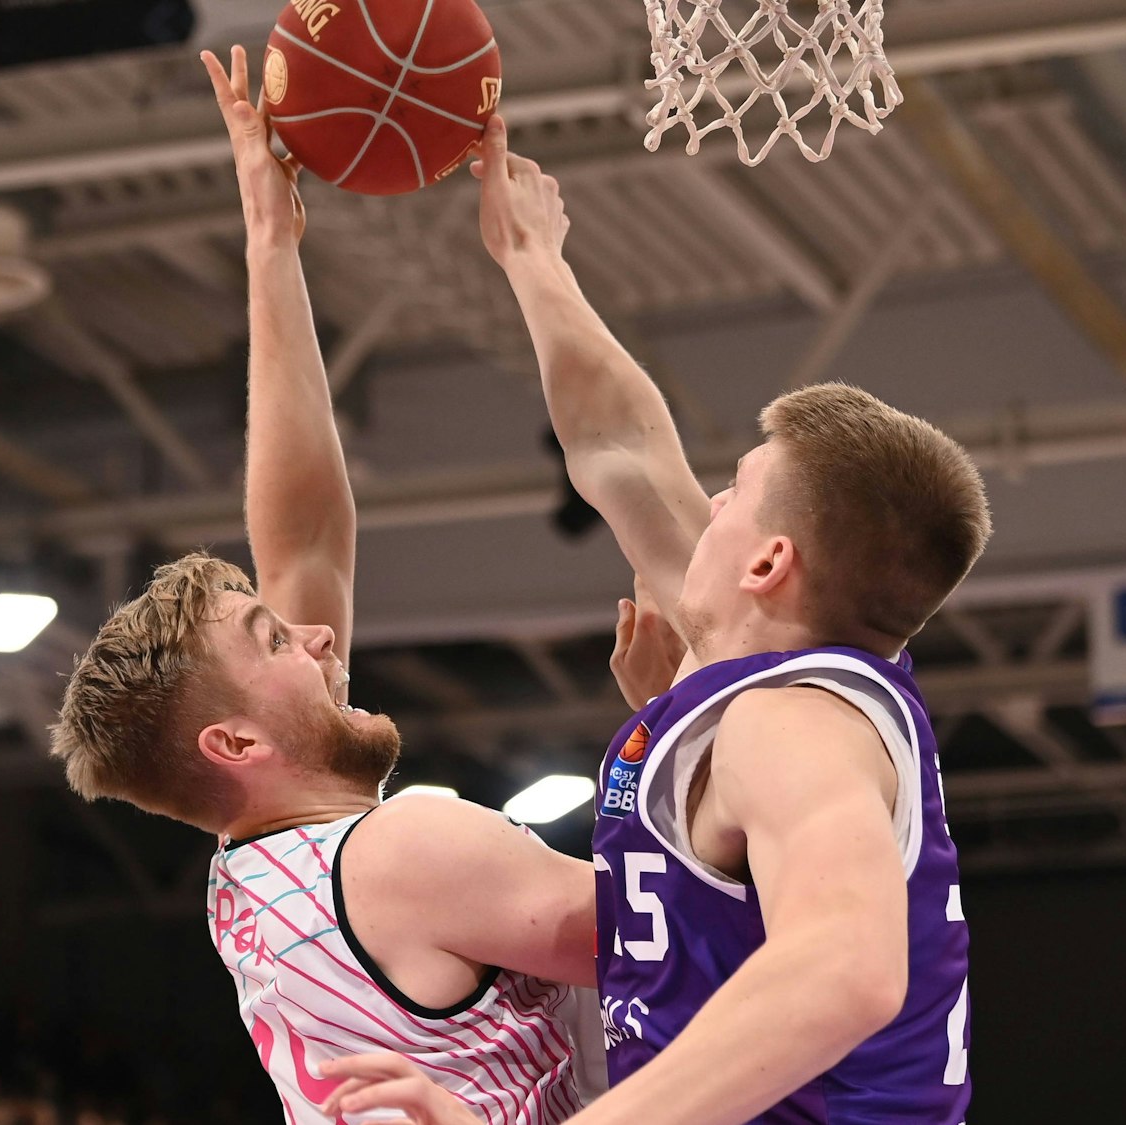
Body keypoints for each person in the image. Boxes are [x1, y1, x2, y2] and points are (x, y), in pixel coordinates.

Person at [325, 117, 989, 1124]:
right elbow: (622, 452)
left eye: (734, 491)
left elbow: (848, 969)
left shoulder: (791, 724)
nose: (709, 506)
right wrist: (531, 261)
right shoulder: (759, 680)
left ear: (770, 563)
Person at [48, 46, 597, 1125]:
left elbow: (303, 535)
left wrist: (271, 246)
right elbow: (695, 930)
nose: (318, 639)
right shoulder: (401, 849)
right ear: (235, 746)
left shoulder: (250, 878)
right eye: (273, 642)